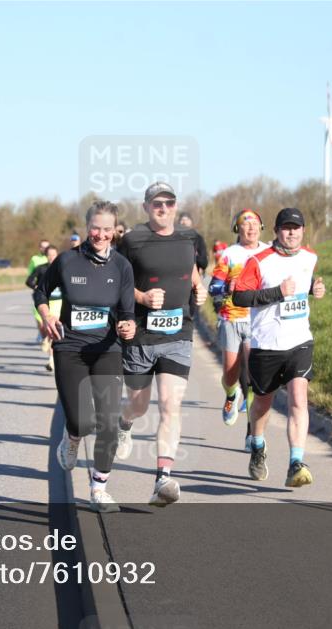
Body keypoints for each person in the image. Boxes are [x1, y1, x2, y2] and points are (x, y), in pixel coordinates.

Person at [35, 201, 135, 513]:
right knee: (82, 419)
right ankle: (72, 435)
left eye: (107, 229)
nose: (101, 234)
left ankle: (99, 488)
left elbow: (127, 312)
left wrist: (129, 326)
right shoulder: (66, 261)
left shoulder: (122, 267)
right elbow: (40, 292)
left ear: (115, 231)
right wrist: (47, 317)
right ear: (87, 226)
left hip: (107, 349)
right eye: (96, 228)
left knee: (107, 422)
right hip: (70, 349)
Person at [115, 182, 208, 506]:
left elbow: (193, 274)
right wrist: (141, 296)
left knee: (171, 404)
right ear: (146, 207)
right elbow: (116, 283)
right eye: (157, 203)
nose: (164, 208)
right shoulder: (132, 240)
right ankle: (123, 422)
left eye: (169, 202)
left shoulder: (188, 240)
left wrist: (201, 290)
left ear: (175, 205)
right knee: (139, 406)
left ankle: (163, 478)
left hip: (178, 335)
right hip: (141, 336)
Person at [232, 207, 326, 486]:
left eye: (296, 228)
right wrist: (276, 293)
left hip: (299, 341)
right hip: (266, 345)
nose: (291, 232)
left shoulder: (310, 257)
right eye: (286, 228)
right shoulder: (259, 261)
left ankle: (296, 462)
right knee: (263, 402)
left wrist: (314, 289)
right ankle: (258, 445)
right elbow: (239, 296)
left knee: (299, 397)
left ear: (303, 231)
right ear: (275, 231)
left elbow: (304, 283)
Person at [208, 210, 269, 429]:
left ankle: (251, 431)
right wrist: (227, 287)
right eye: (246, 223)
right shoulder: (229, 254)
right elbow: (213, 286)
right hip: (231, 318)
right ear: (237, 229)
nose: (251, 227)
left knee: (253, 376)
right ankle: (231, 396)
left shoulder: (269, 252)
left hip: (257, 320)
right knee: (231, 373)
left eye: (255, 223)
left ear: (261, 228)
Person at [25, 245, 60, 370]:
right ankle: (45, 339)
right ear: (46, 256)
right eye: (49, 255)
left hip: (57, 302)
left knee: (52, 329)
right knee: (44, 329)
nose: (51, 257)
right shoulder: (41, 269)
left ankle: (51, 360)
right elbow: (29, 281)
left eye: (54, 254)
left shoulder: (61, 269)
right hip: (42, 303)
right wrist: (36, 288)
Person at [27, 240, 51, 343]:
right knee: (39, 318)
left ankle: (47, 337)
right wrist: (35, 286)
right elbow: (30, 275)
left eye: (47, 247)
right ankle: (41, 331)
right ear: (39, 248)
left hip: (52, 294)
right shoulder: (35, 259)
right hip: (39, 292)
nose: (44, 249)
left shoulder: (52, 258)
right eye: (42, 247)